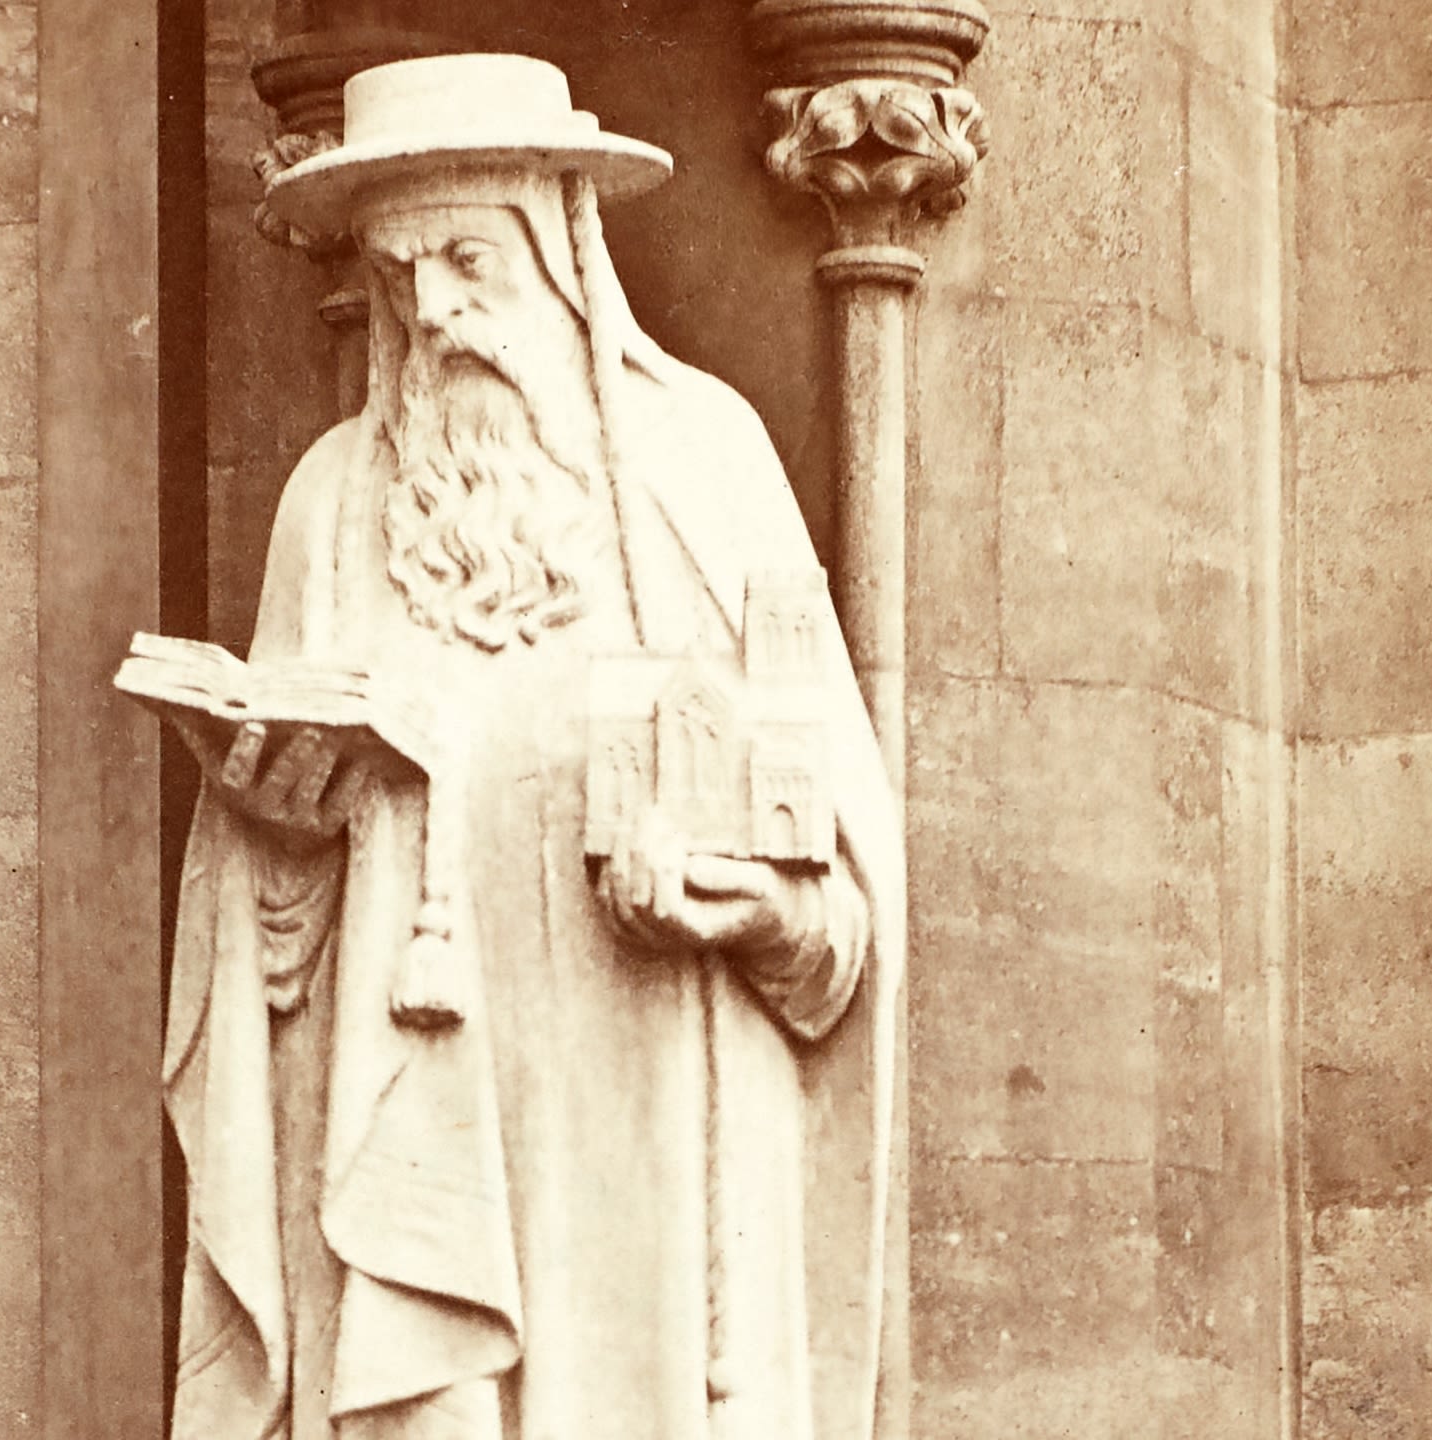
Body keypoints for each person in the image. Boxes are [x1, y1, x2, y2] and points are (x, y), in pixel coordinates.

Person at [163, 52, 906, 1440]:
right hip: (419, 1128)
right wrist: (276, 836)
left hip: (663, 1152)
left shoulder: (703, 466)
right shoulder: (331, 509)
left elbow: (846, 922)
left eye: (465, 260)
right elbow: (263, 933)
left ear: (563, 261)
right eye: (398, 277)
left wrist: (774, 911)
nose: (434, 313)